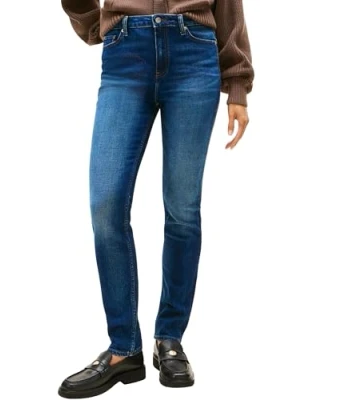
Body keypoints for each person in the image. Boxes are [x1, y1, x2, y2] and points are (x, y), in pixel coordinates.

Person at [58, 0, 254, 397]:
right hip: (124, 56)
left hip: (194, 53)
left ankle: (169, 339)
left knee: (182, 209)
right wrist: (100, 24)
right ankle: (123, 348)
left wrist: (237, 83)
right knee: (105, 205)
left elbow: (229, 5)